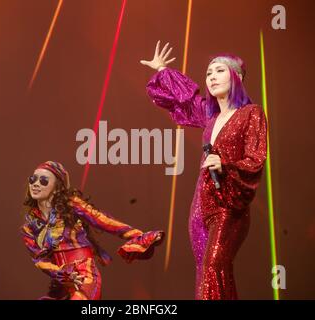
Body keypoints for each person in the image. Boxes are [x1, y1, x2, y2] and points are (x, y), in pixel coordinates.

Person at [141, 41, 267, 299]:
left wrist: (225, 164)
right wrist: (164, 71)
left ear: (237, 77)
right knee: (204, 272)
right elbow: (183, 99)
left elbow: (256, 159)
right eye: (208, 73)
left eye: (219, 71)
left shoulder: (251, 113)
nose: (211, 77)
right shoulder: (209, 116)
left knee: (214, 266)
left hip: (229, 204)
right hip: (201, 204)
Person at [21, 160, 164, 300]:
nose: (35, 184)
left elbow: (103, 221)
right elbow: (40, 260)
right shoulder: (29, 227)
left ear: (57, 187)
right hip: (62, 282)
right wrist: (61, 273)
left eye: (44, 180)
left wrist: (139, 236)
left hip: (85, 275)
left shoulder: (71, 205)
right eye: (33, 179)